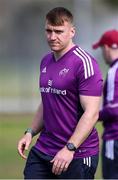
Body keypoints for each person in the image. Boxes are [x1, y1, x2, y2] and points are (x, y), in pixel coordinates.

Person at [18, 7, 103, 179]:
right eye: (48, 31)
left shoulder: (84, 63)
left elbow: (92, 113)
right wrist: (30, 132)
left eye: (58, 31)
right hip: (44, 149)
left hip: (77, 154)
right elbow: (47, 100)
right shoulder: (46, 61)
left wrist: (69, 148)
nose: (52, 37)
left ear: (72, 31)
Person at [92, 29, 118, 179]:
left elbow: (114, 110)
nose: (102, 53)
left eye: (102, 48)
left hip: (114, 137)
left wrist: (92, 115)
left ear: (107, 48)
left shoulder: (114, 70)